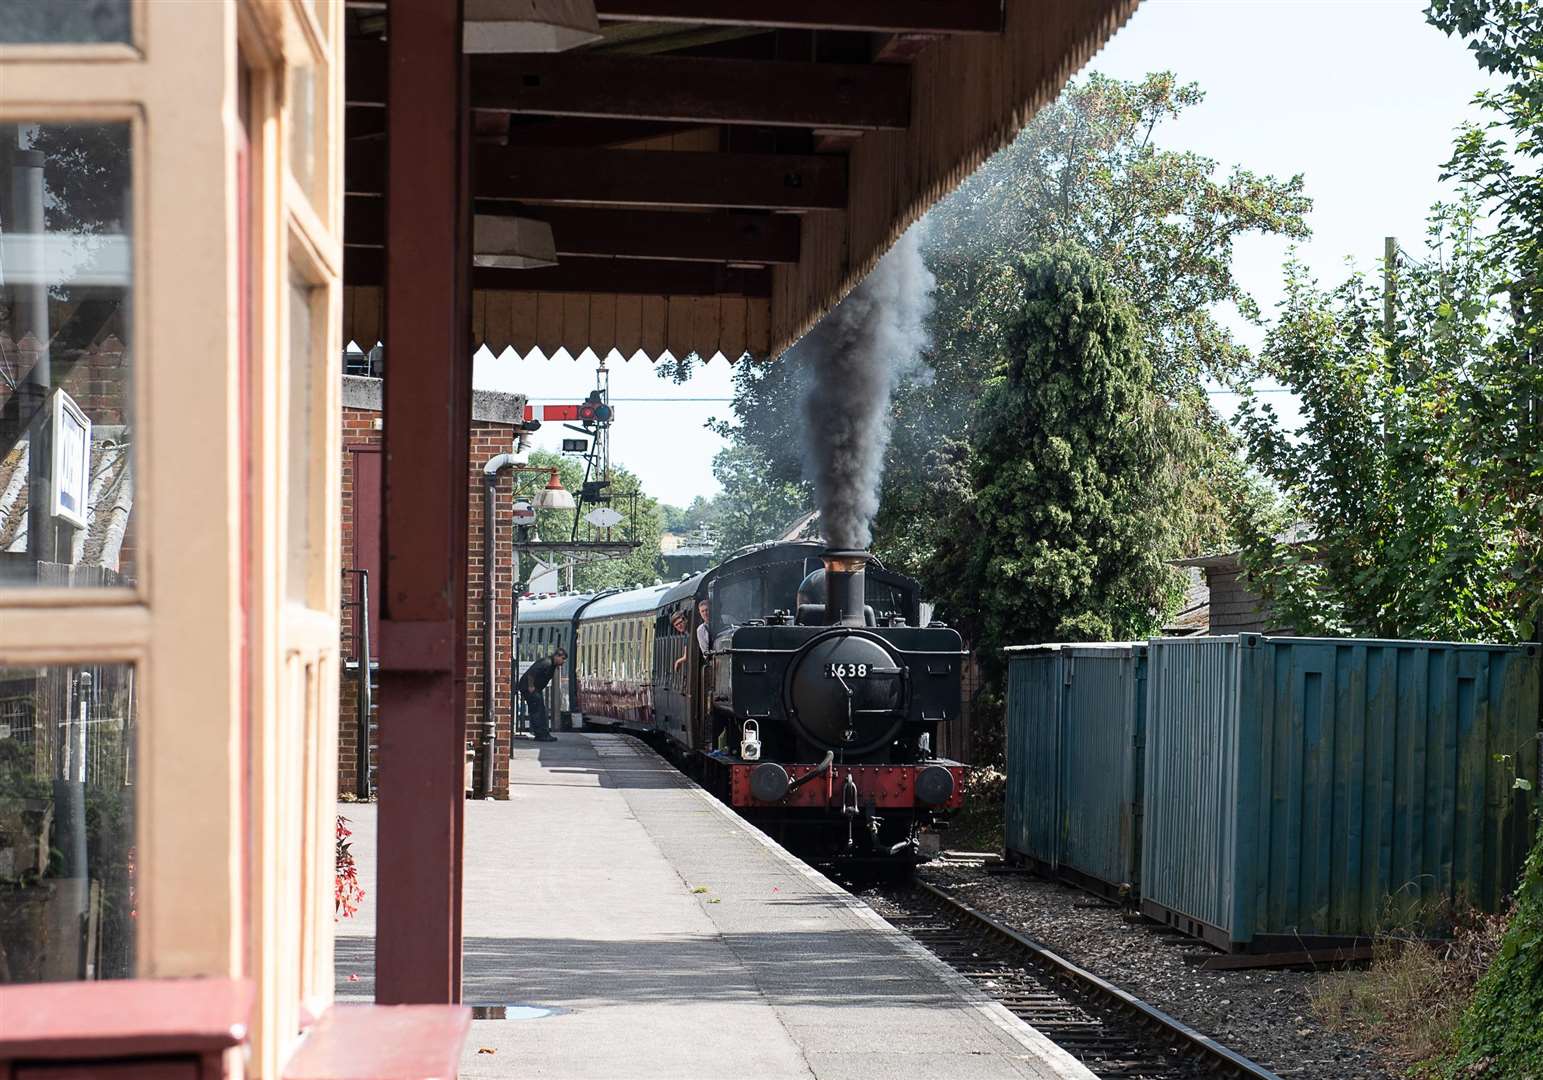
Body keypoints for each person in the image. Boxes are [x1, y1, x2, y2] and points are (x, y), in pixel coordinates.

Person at [518, 648, 565, 743]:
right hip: (530, 688)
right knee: (538, 711)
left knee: (540, 710)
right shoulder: (546, 663)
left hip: (535, 689)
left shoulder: (551, 664)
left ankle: (543, 733)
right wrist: (531, 687)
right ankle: (541, 734)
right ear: (557, 656)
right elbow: (531, 674)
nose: (563, 662)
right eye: (563, 659)